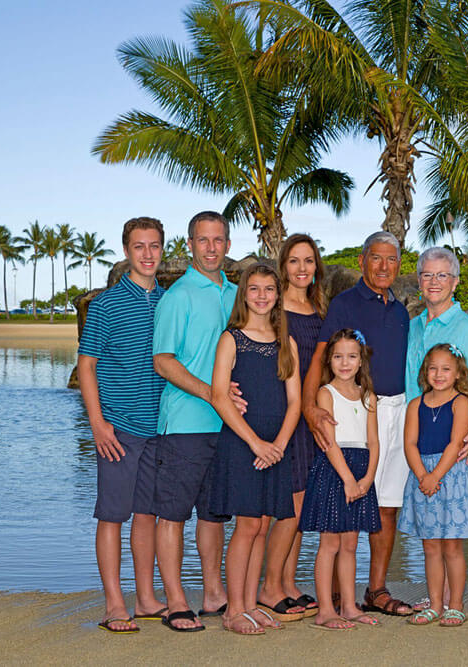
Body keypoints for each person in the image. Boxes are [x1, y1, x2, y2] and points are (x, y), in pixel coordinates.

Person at [303, 231, 413, 617]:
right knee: (340, 512)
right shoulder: (345, 303)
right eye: (377, 259)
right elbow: (320, 357)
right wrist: (310, 407)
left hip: (392, 410)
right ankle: (334, 596)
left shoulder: (400, 310)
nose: (384, 267)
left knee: (386, 504)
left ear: (399, 265)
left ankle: (376, 590)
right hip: (350, 410)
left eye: (392, 260)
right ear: (364, 261)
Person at [77, 217, 169, 634]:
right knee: (112, 515)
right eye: (139, 247)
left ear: (162, 249)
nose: (147, 254)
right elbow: (87, 365)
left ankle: (147, 599)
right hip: (119, 427)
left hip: (160, 427)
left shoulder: (168, 301)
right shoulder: (106, 305)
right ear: (127, 251)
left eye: (153, 246)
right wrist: (97, 423)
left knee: (147, 515)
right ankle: (115, 603)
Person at [152, 211, 237, 632]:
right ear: (189, 244)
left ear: (227, 243)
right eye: (203, 240)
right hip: (185, 423)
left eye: (218, 239)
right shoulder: (178, 296)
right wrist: (211, 394)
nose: (211, 248)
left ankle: (214, 594)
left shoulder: (240, 295)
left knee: (214, 515)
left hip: (229, 427)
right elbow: (163, 361)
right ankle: (175, 601)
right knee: (173, 515)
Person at [208, 264, 302, 635]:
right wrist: (256, 443)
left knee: (262, 526)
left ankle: (250, 605)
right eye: (254, 289)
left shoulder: (286, 343)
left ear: (278, 295)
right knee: (246, 527)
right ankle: (234, 610)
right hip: (243, 442)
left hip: (276, 446)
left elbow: (294, 401)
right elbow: (219, 395)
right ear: (244, 294)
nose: (262, 296)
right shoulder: (232, 338)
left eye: (269, 289)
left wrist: (277, 445)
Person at [404, 246, 468, 611]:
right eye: (427, 275)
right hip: (420, 435)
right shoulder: (414, 325)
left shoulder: (466, 328)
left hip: (455, 444)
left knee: (450, 537)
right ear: (419, 281)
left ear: (454, 283)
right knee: (429, 535)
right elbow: (413, 382)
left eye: (442, 276)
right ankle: (435, 599)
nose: (434, 282)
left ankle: (453, 602)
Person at [257, 234, 326, 619]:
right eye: (295, 261)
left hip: (311, 417)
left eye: (309, 261)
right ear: (283, 265)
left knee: (299, 508)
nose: (302, 268)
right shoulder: (273, 308)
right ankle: (269, 586)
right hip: (284, 416)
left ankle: (286, 582)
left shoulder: (319, 308)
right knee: (288, 508)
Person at [299, 329, 382, 630]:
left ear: (361, 361)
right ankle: (325, 610)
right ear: (329, 361)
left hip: (361, 470)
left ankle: (348, 605)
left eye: (351, 356)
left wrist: (368, 478)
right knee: (330, 544)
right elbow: (330, 443)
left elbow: (374, 441)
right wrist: (348, 479)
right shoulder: (325, 393)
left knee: (351, 543)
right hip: (335, 471)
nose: (344, 363)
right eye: (338, 357)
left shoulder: (369, 396)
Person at [399, 344, 468, 627]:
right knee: (430, 547)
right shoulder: (415, 405)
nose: (439, 374)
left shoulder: (462, 403)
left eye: (446, 369)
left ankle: (455, 605)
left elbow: (455, 442)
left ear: (458, 373)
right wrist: (423, 475)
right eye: (433, 368)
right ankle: (435, 604)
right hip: (423, 478)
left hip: (450, 478)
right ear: (425, 371)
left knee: (451, 547)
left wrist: (436, 476)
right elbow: (409, 443)